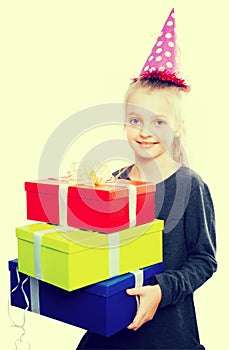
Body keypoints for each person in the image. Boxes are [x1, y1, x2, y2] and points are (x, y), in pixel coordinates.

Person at [76, 9, 217, 350]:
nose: (144, 132)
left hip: (167, 336)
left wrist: (162, 289)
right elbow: (97, 249)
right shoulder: (113, 181)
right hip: (109, 333)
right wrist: (80, 211)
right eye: (136, 120)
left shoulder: (190, 186)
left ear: (178, 126)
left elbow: (204, 259)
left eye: (159, 122)